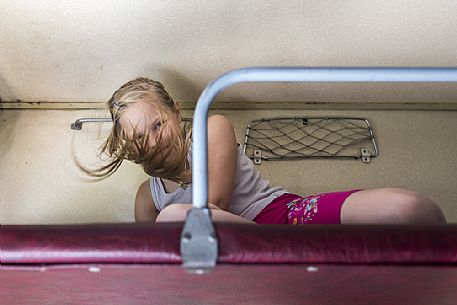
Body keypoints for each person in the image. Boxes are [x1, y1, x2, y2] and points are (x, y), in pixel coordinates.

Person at [83, 77, 446, 225]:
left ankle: (282, 249)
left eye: (157, 125)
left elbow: (216, 203)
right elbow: (158, 265)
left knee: (410, 207)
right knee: (172, 219)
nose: (152, 142)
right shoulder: (149, 199)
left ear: (177, 114)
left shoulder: (212, 128)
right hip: (223, 258)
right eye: (138, 138)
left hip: (283, 218)